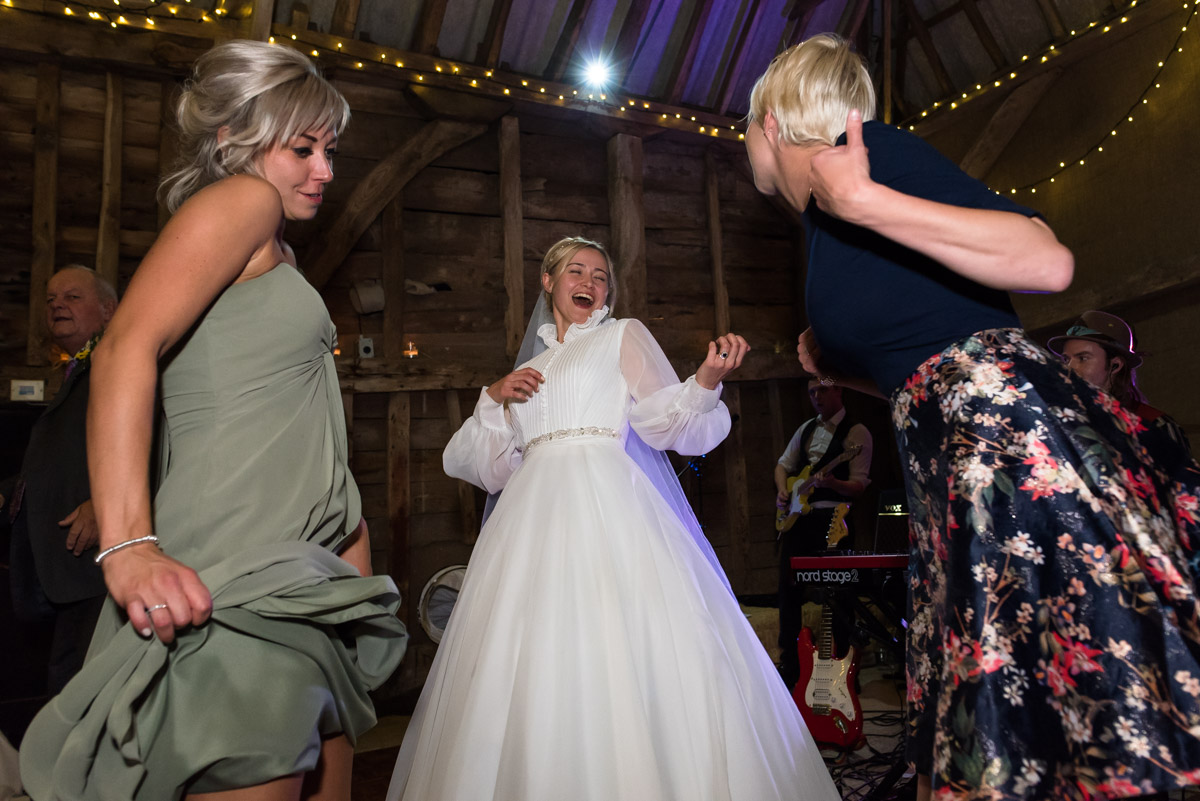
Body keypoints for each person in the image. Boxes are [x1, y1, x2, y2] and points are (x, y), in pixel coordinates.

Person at [745, 33, 1200, 800]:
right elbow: (926, 366)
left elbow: (1044, 261)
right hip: (950, 459)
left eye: (744, 129)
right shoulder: (822, 222)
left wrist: (865, 197)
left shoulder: (863, 157)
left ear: (768, 121)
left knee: (1069, 683)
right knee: (1009, 705)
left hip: (1007, 443)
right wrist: (844, 371)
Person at [19, 40, 407, 801]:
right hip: (236, 576)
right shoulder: (245, 200)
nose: (325, 170)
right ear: (233, 139)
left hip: (302, 582)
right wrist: (129, 544)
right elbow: (127, 344)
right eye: (302, 148)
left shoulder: (278, 252)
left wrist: (350, 571)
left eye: (330, 149)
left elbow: (298, 426)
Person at [387, 237, 839, 801]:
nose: (590, 282)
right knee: (529, 662)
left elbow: (663, 424)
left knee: (624, 649)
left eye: (601, 276)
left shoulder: (620, 335)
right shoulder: (526, 370)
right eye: (576, 271)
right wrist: (494, 397)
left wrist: (704, 379)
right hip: (530, 526)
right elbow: (482, 466)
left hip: (608, 509)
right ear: (547, 282)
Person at [6, 266, 115, 695]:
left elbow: (149, 438)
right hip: (66, 568)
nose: (56, 306)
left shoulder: (119, 363)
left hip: (99, 562)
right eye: (51, 300)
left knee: (84, 693)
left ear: (108, 310)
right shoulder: (76, 371)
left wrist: (103, 504)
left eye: (71, 297)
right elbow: (55, 465)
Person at [774, 376, 872, 688]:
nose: (817, 396)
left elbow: (859, 485)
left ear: (839, 389)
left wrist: (832, 483)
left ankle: (843, 668)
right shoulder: (805, 429)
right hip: (798, 520)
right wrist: (782, 492)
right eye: (812, 391)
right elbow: (782, 466)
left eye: (823, 390)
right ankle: (790, 665)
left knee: (839, 593)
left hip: (834, 518)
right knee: (788, 590)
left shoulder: (856, 434)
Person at [1048, 309, 1193, 473]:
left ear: (1115, 365)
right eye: (1066, 359)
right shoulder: (1060, 420)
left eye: (1083, 358)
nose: (1069, 368)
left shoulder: (1156, 425)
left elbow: (1185, 490)